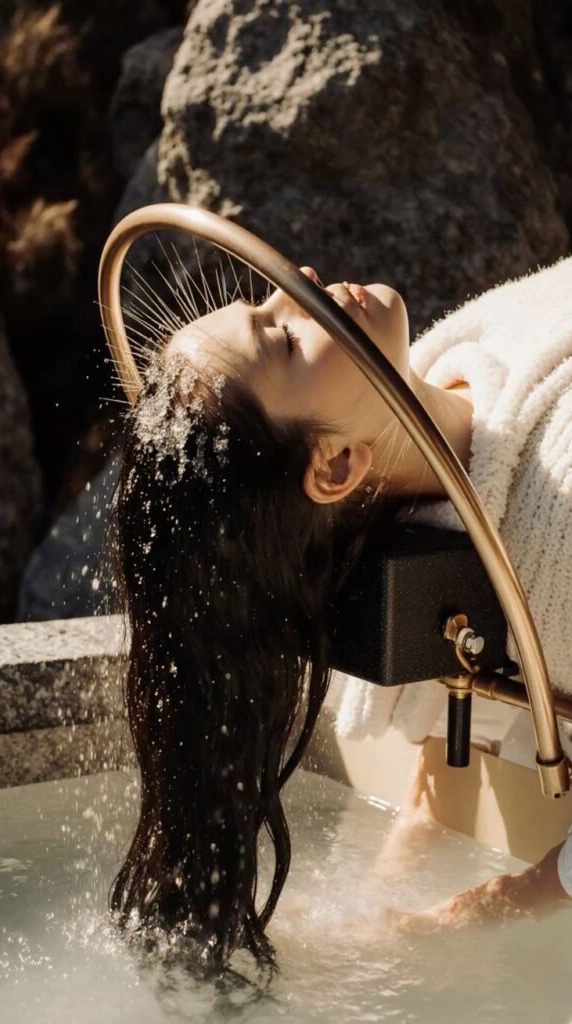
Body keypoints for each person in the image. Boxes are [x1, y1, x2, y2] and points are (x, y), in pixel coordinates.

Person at [110, 258, 572, 973]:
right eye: (286, 341)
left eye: (260, 302)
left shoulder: (447, 376)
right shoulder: (551, 525)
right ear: (335, 469)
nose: (297, 279)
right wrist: (454, 907)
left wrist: (439, 893)